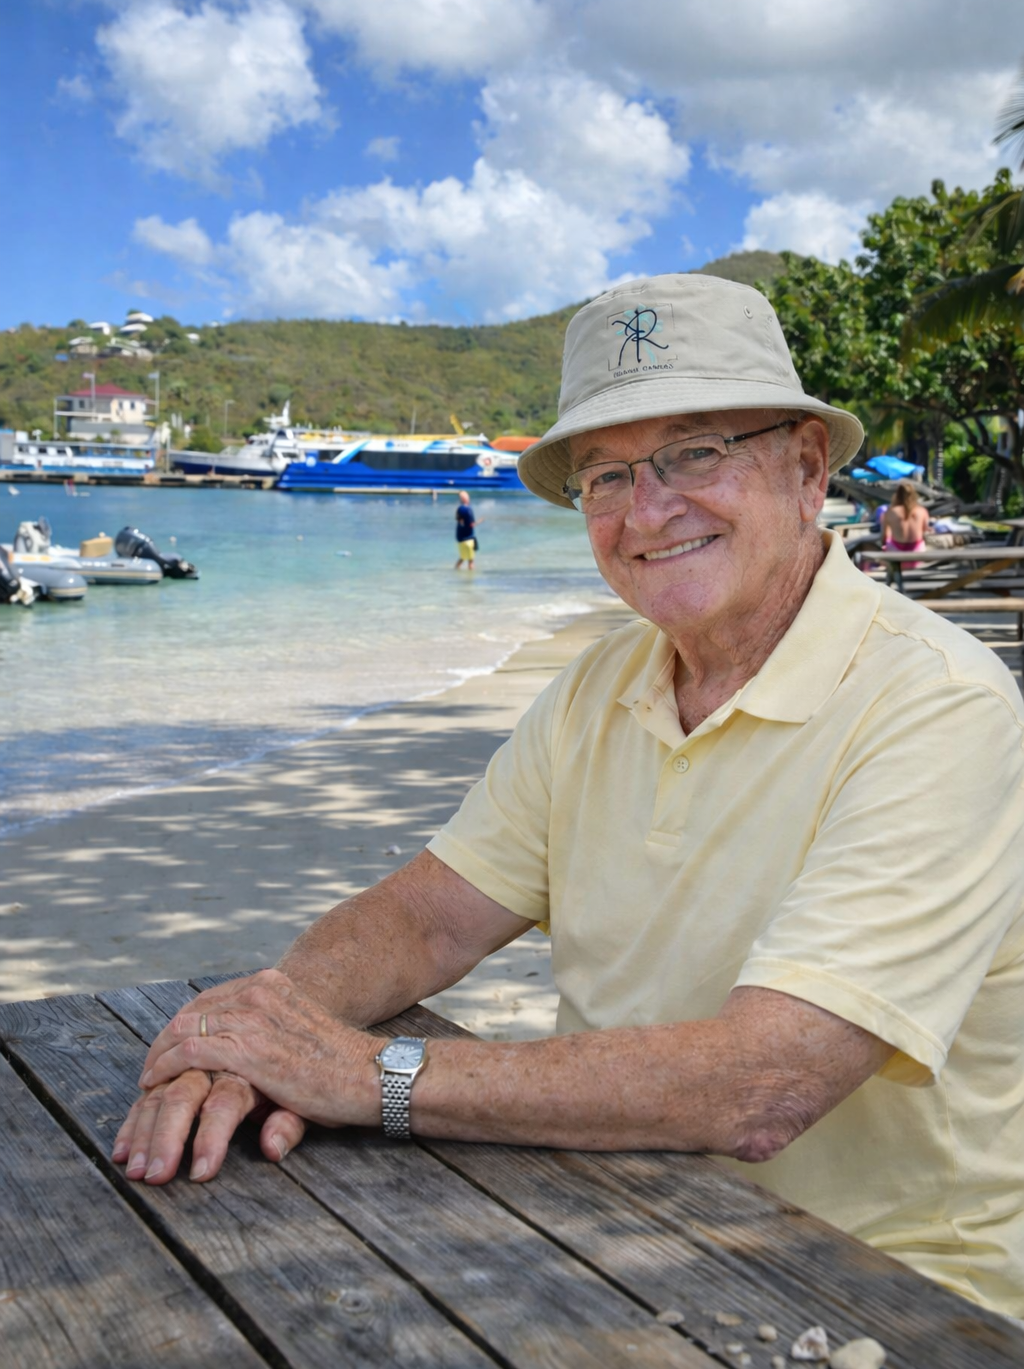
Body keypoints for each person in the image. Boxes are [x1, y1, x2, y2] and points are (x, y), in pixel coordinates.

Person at [115, 275, 1024, 1319]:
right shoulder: (599, 689)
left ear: (806, 467)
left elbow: (767, 1084)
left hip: (885, 1294)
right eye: (605, 476)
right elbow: (425, 916)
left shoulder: (935, 703)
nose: (647, 511)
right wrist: (262, 1040)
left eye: (696, 453)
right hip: (619, 1232)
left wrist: (371, 1076)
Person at [881, 479, 930, 555]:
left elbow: (885, 536)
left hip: (896, 550)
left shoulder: (890, 511)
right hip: (917, 549)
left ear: (897, 495)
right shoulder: (922, 511)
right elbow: (925, 531)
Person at [454, 490, 476, 569]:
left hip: (460, 538)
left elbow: (459, 521)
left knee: (462, 558)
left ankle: (455, 571)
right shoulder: (469, 509)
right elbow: (471, 524)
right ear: (466, 499)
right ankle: (471, 580)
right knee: (471, 560)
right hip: (469, 538)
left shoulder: (459, 509)